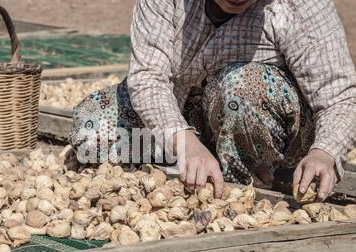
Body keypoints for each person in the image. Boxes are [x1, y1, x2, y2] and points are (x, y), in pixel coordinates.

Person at [69, 0, 356, 200]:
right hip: (190, 114)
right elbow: (148, 77)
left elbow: (340, 96)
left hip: (265, 125)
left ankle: (244, 187)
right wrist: (185, 142)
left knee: (242, 89)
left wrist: (324, 154)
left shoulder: (299, 6)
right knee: (92, 128)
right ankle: (200, 157)